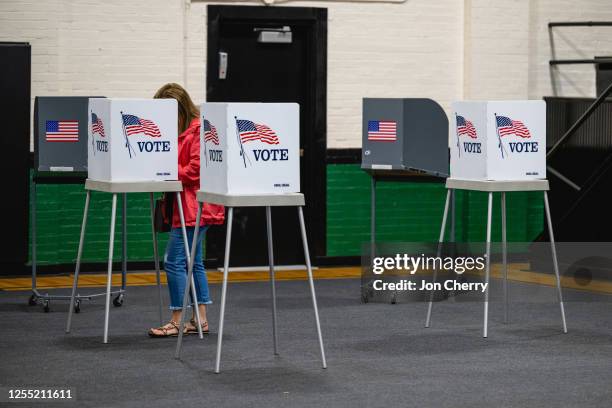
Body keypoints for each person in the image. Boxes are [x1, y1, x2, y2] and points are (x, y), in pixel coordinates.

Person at [148, 83, 225, 337]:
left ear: (180, 109)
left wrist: (165, 171)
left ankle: (177, 319)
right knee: (195, 262)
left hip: (193, 207)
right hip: (187, 206)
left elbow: (195, 171)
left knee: (174, 261)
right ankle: (200, 319)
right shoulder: (184, 130)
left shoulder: (198, 131)